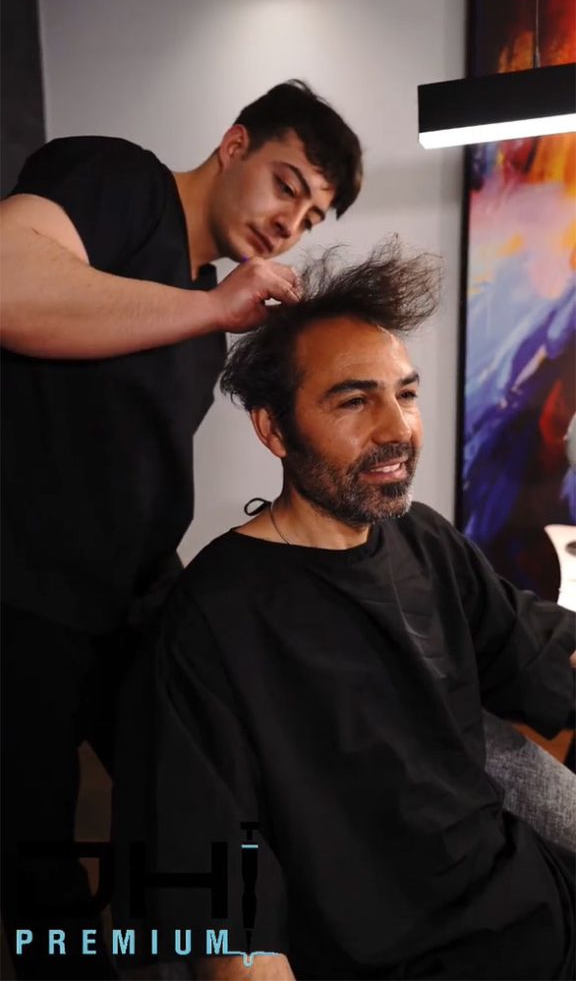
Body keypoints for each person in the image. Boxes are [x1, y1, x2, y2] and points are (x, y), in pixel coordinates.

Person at [118, 243, 575, 980]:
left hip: (530, 906)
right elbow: (225, 915)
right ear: (274, 430)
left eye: (406, 394)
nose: (397, 429)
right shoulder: (213, 622)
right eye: (355, 401)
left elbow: (537, 651)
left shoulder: (423, 539)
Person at [0, 80, 363, 980]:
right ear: (235, 145)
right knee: (38, 860)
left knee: (208, 792)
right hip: (23, 596)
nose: (288, 224)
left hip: (129, 597)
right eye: (286, 186)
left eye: (309, 217)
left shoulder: (205, 317)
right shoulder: (122, 182)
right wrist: (214, 309)